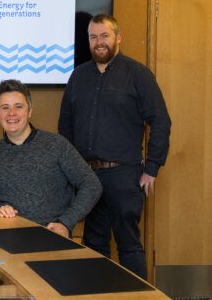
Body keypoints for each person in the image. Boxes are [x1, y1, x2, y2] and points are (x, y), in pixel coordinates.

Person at [58, 14, 171, 279]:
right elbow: (65, 126)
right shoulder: (78, 77)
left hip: (126, 177)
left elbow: (161, 121)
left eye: (104, 35)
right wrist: (71, 173)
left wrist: (152, 168)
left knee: (129, 246)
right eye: (93, 37)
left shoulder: (138, 75)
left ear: (118, 37)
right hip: (88, 177)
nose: (99, 42)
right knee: (94, 247)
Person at [0, 79, 102, 238]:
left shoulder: (56, 144)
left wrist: (65, 223)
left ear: (30, 111)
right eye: (5, 108)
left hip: (51, 236)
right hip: (6, 237)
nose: (11, 113)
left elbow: (92, 185)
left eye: (18, 106)